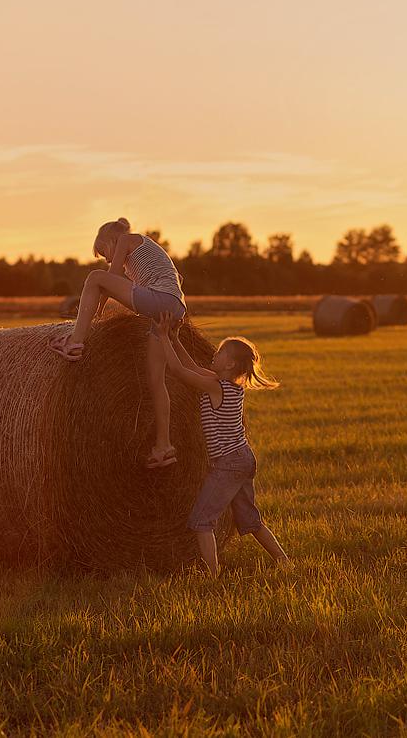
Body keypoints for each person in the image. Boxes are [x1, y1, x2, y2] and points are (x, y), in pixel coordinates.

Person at [153, 312, 290, 577]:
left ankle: (213, 576)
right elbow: (191, 366)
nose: (213, 355)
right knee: (249, 520)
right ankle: (284, 560)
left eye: (219, 353)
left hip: (228, 463)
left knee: (202, 521)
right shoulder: (225, 385)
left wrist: (161, 338)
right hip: (242, 458)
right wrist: (174, 337)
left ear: (229, 364)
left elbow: (180, 371)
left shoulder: (217, 388)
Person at [48, 217, 186, 468]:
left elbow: (107, 279)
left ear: (112, 240)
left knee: (94, 277)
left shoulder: (126, 239)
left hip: (160, 299)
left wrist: (95, 312)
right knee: (156, 380)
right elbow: (177, 279)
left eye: (104, 252)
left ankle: (76, 341)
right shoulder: (151, 251)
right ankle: (163, 446)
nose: (108, 259)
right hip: (172, 307)